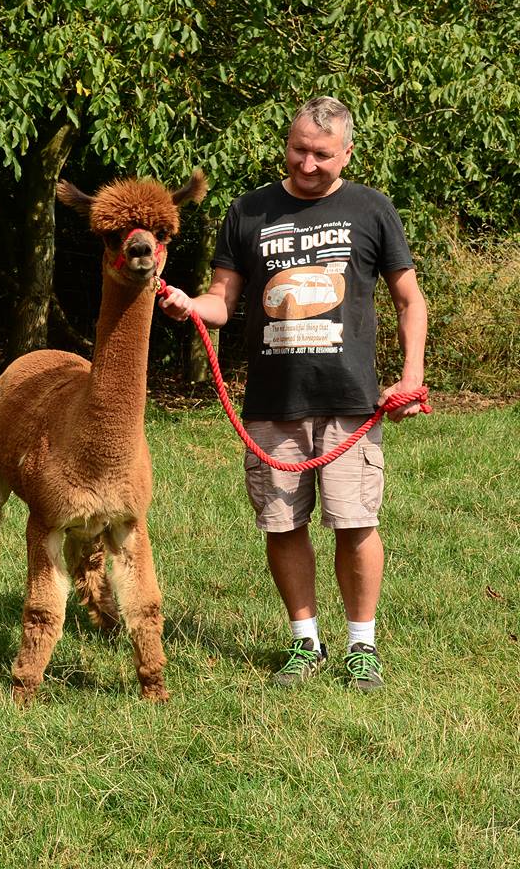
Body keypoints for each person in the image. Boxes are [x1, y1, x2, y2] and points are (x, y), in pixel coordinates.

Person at [160, 96, 427, 691]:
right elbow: (222, 303)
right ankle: (304, 640)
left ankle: (363, 645)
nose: (308, 164)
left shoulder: (371, 209)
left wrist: (412, 376)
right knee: (282, 524)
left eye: (323, 155)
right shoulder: (249, 211)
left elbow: (411, 300)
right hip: (273, 404)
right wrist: (186, 304)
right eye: (299, 149)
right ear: (287, 144)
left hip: (349, 401)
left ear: (348, 153)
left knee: (355, 522)